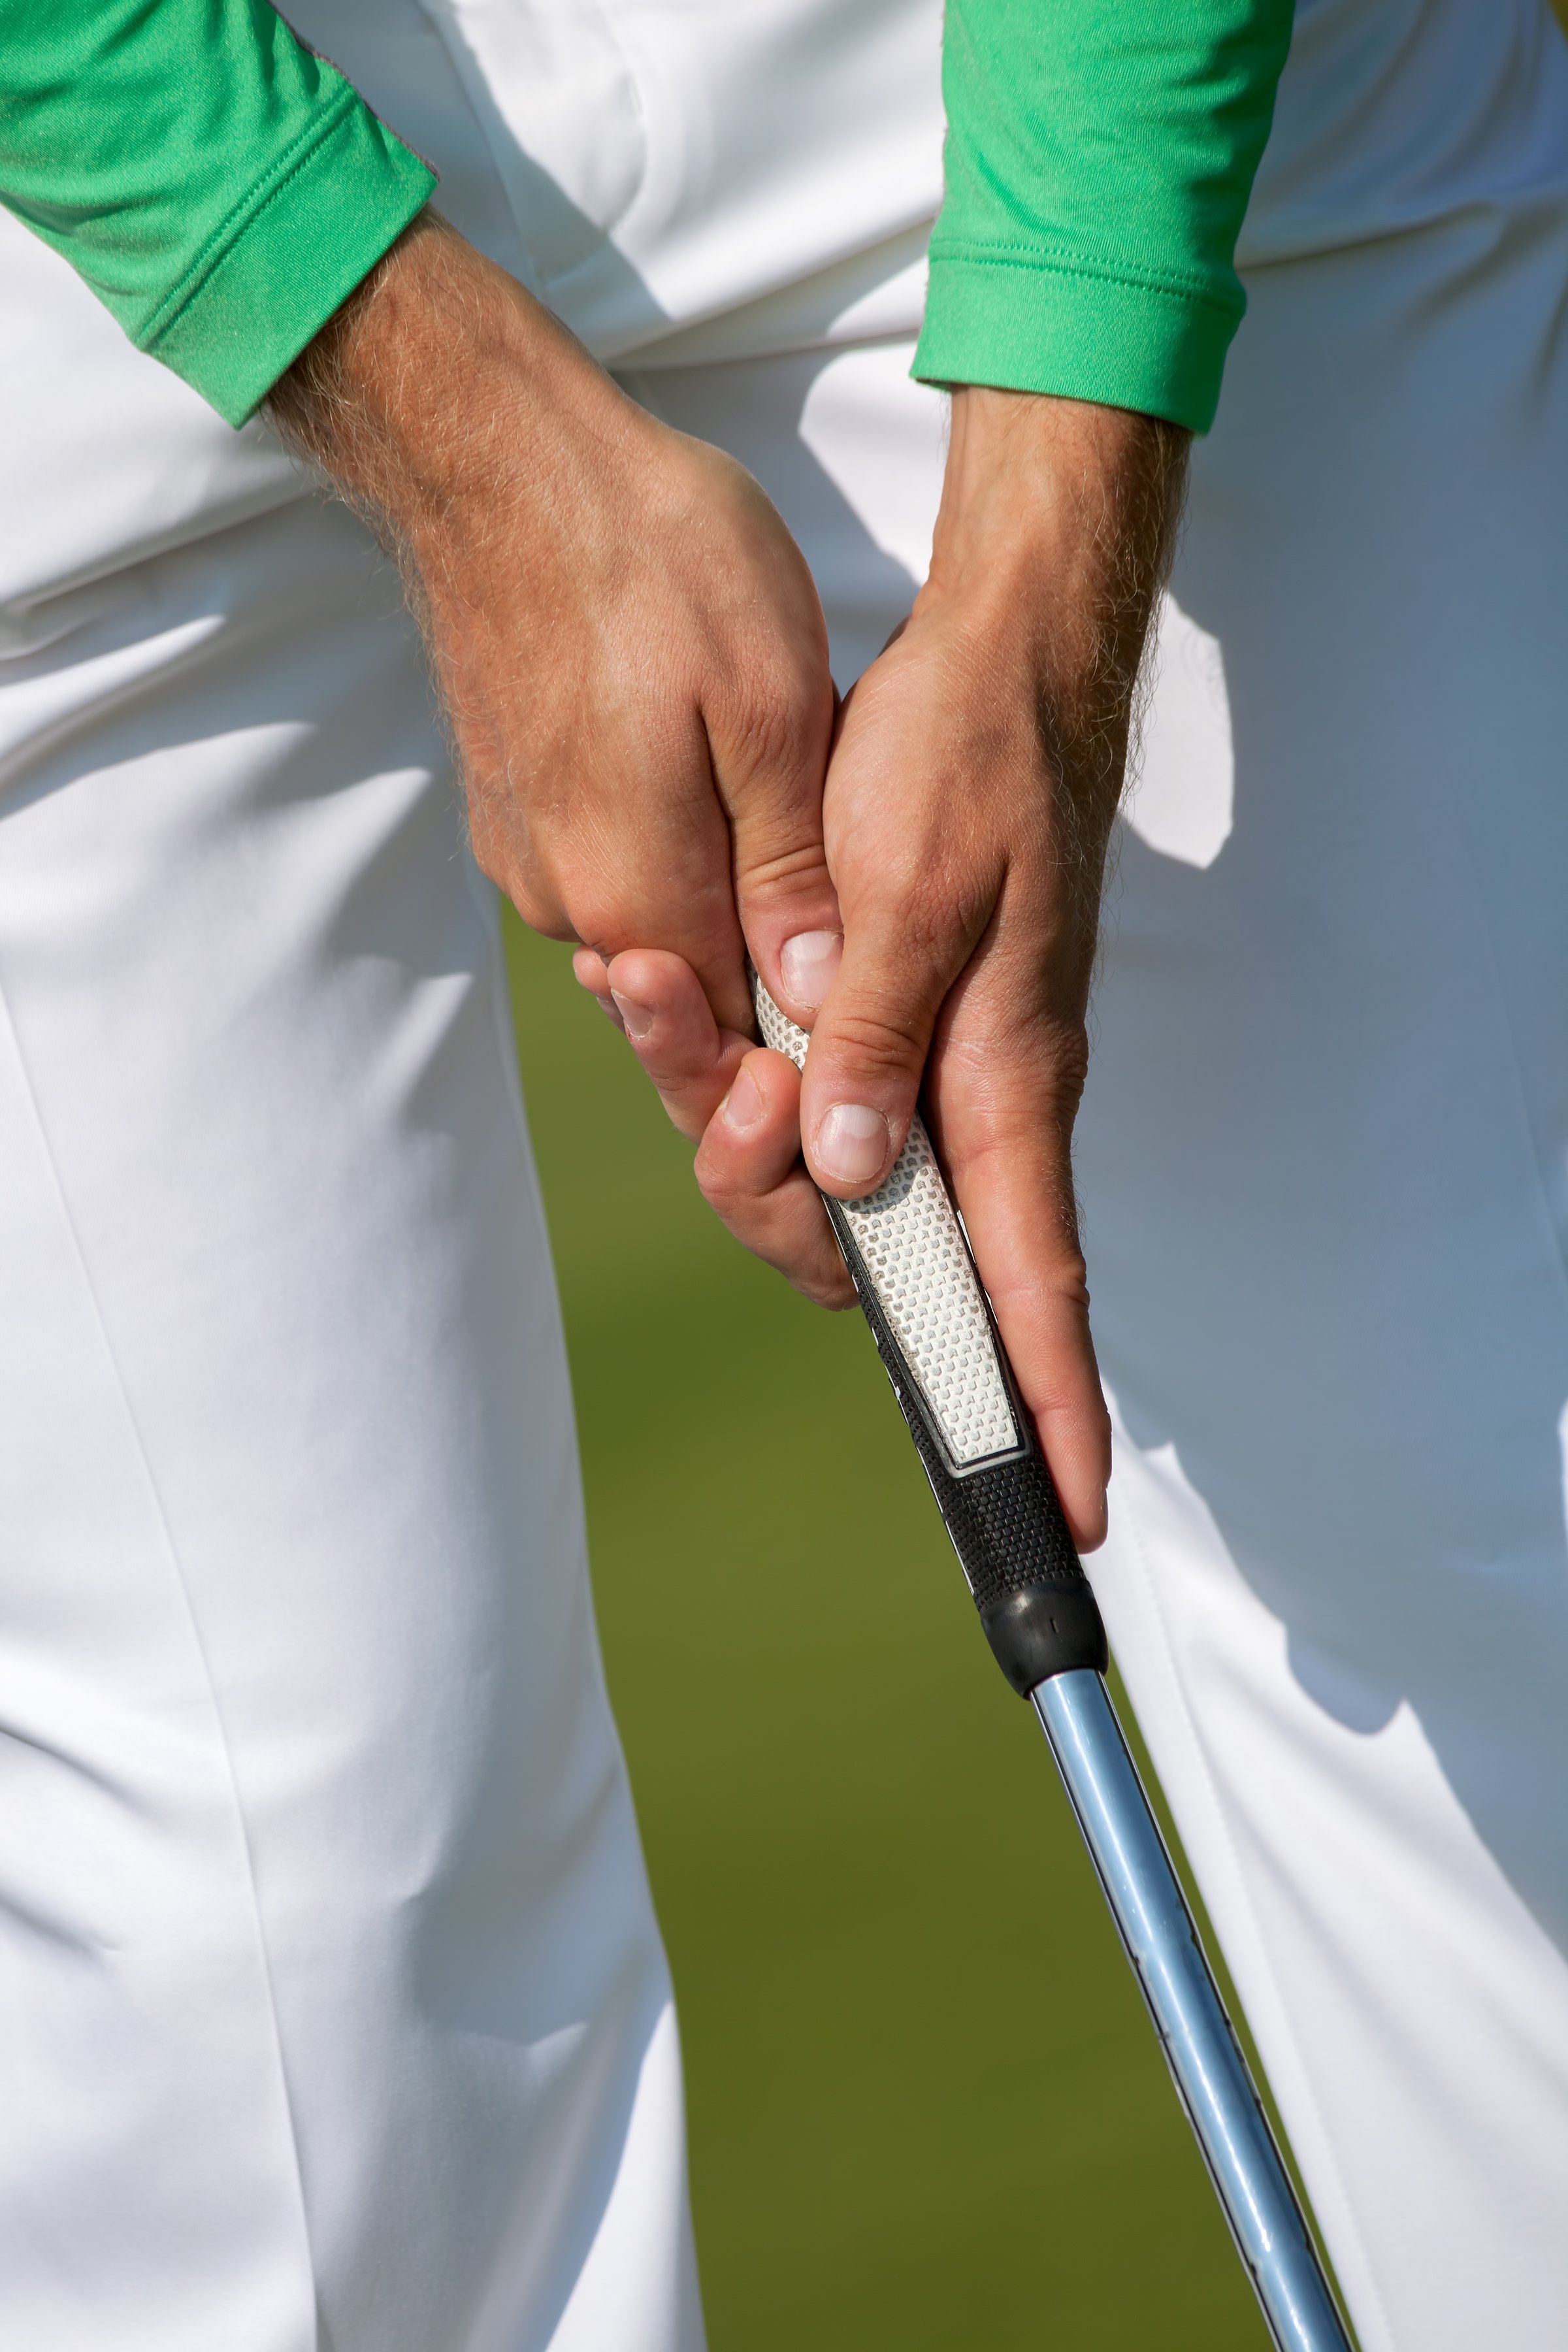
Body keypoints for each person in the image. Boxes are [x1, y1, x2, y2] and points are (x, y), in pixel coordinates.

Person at [3, 1, 1565, 2346]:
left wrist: (1056, 549)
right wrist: (421, 391)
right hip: (79, 201)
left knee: (1492, 1554)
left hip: (1065, 67)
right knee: (301, 1959)